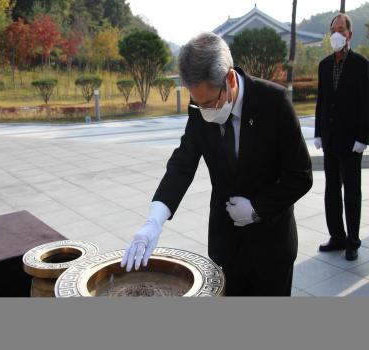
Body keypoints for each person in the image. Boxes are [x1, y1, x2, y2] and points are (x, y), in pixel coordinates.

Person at [121, 32, 312, 296]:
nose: (206, 111)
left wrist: (257, 208)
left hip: (271, 247)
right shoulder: (199, 105)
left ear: (230, 79)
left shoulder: (274, 103)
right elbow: (183, 163)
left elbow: (301, 175)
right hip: (228, 246)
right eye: (199, 104)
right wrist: (154, 221)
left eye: (211, 103)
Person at [315, 13, 369, 261]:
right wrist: (318, 132)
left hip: (351, 142)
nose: (337, 33)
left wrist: (363, 137)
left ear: (349, 34)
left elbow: (366, 104)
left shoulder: (360, 64)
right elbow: (322, 101)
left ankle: (353, 240)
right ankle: (337, 236)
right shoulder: (324, 65)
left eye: (341, 29)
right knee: (331, 191)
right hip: (330, 139)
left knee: (352, 192)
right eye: (333, 29)